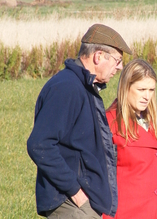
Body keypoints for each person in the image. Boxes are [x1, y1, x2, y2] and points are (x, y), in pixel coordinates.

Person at [27, 24, 132, 218]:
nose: (120, 67)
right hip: (71, 204)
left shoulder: (84, 86)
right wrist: (76, 193)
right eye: (117, 60)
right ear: (98, 56)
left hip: (81, 204)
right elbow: (40, 144)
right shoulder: (67, 87)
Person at [104, 59, 157, 219]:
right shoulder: (109, 123)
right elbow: (101, 175)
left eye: (151, 90)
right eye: (141, 89)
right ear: (126, 88)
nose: (147, 96)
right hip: (126, 212)